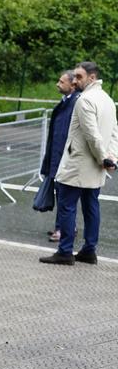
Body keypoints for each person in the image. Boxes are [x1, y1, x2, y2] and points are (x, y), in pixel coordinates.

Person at [40, 62, 118, 265]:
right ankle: (89, 251)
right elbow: (113, 132)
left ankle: (65, 251)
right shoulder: (108, 99)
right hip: (96, 166)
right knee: (92, 207)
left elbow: (92, 135)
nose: (74, 80)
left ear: (92, 78)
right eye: (74, 76)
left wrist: (104, 158)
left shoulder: (84, 100)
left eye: (79, 76)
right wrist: (111, 157)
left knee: (67, 207)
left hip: (78, 164)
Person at [40, 71, 79, 243]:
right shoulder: (67, 101)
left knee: (64, 196)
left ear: (72, 85)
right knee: (62, 194)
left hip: (65, 157)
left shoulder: (75, 102)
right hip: (57, 155)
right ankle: (66, 227)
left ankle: (62, 229)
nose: (57, 84)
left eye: (61, 82)